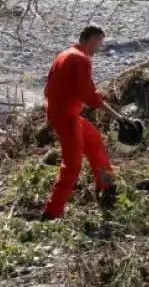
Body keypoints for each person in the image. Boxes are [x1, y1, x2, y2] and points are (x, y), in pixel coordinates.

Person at [41, 25, 127, 220]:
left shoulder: (65, 54)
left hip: (61, 112)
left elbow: (49, 89)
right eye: (100, 43)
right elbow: (89, 96)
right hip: (67, 117)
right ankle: (51, 213)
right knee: (72, 165)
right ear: (93, 40)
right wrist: (118, 117)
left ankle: (107, 186)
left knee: (94, 139)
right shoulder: (81, 60)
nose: (99, 48)